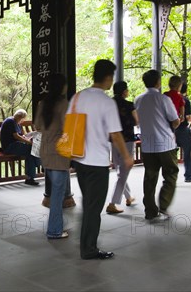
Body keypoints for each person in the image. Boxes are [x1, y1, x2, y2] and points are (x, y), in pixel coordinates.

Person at [70, 59, 134, 260]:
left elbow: (70, 124)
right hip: (97, 162)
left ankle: (86, 243)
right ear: (108, 77)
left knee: (89, 202)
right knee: (93, 207)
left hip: (80, 160)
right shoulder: (106, 102)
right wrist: (126, 156)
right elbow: (115, 134)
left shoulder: (78, 97)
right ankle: (88, 249)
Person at [135, 70, 180, 222]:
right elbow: (175, 120)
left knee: (150, 177)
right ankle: (164, 204)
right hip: (165, 144)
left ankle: (150, 211)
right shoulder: (163, 99)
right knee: (171, 173)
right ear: (158, 82)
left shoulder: (138, 99)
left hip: (147, 144)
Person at [34, 73, 73, 239]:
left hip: (45, 151)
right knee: (58, 195)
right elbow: (67, 127)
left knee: (56, 192)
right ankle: (54, 230)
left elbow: (37, 126)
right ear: (62, 86)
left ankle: (57, 226)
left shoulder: (43, 103)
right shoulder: (63, 103)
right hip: (59, 152)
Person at [106, 81, 139, 214]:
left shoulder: (109, 104)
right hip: (127, 140)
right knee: (123, 172)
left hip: (113, 140)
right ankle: (112, 203)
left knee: (120, 170)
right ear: (124, 91)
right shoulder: (129, 105)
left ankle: (128, 197)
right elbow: (137, 121)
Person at [1, 109, 41, 186]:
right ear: (20, 117)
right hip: (10, 147)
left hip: (16, 145)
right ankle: (39, 164)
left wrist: (29, 136)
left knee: (30, 153)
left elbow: (21, 135)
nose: (23, 121)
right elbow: (16, 136)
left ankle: (30, 178)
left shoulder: (16, 123)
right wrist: (29, 142)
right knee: (32, 149)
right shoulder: (10, 121)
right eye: (23, 119)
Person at [175, 83, 191, 182]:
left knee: (172, 154)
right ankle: (188, 176)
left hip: (172, 130)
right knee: (187, 153)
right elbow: (188, 117)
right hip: (183, 129)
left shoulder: (171, 99)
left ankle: (172, 177)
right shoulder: (185, 100)